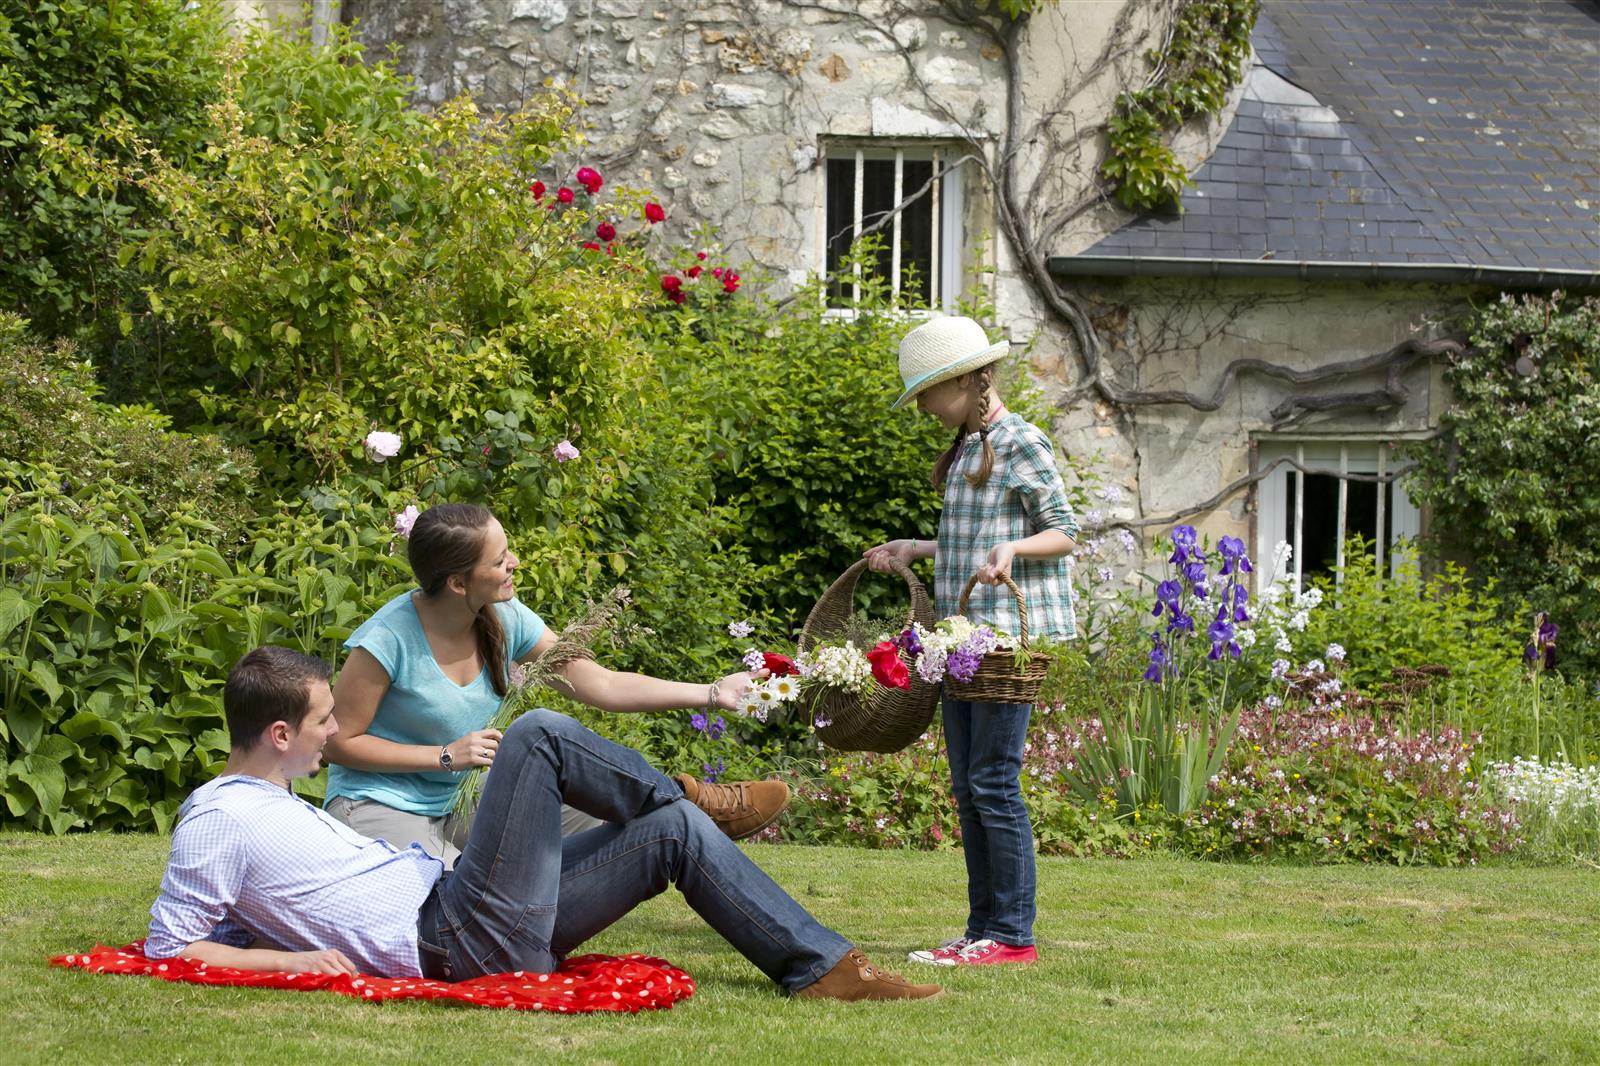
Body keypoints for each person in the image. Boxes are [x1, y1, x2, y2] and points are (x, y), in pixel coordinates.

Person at [146, 645, 941, 1002]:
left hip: (466, 912)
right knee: (537, 737)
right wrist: (291, 965)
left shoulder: (272, 803)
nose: (335, 731)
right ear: (279, 735)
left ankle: (825, 969)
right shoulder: (217, 819)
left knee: (674, 837)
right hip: (451, 938)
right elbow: (168, 945)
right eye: (324, 721)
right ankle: (684, 792)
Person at [323, 502, 782, 865]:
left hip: (462, 802)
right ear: (460, 583)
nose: (515, 564)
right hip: (380, 804)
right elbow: (336, 743)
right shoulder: (385, 642)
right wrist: (444, 756)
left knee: (613, 813)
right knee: (446, 902)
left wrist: (710, 692)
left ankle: (692, 805)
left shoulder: (506, 617)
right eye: (501, 560)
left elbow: (600, 685)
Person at [864, 316, 1078, 968]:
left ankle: (1012, 934)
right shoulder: (965, 449)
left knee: (992, 782)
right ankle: (981, 927)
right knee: (968, 785)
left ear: (964, 382)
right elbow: (971, 538)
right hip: (960, 638)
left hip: (1005, 640)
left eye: (928, 392)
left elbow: (1065, 530)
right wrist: (917, 547)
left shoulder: (1021, 442)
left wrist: (1015, 548)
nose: (923, 406)